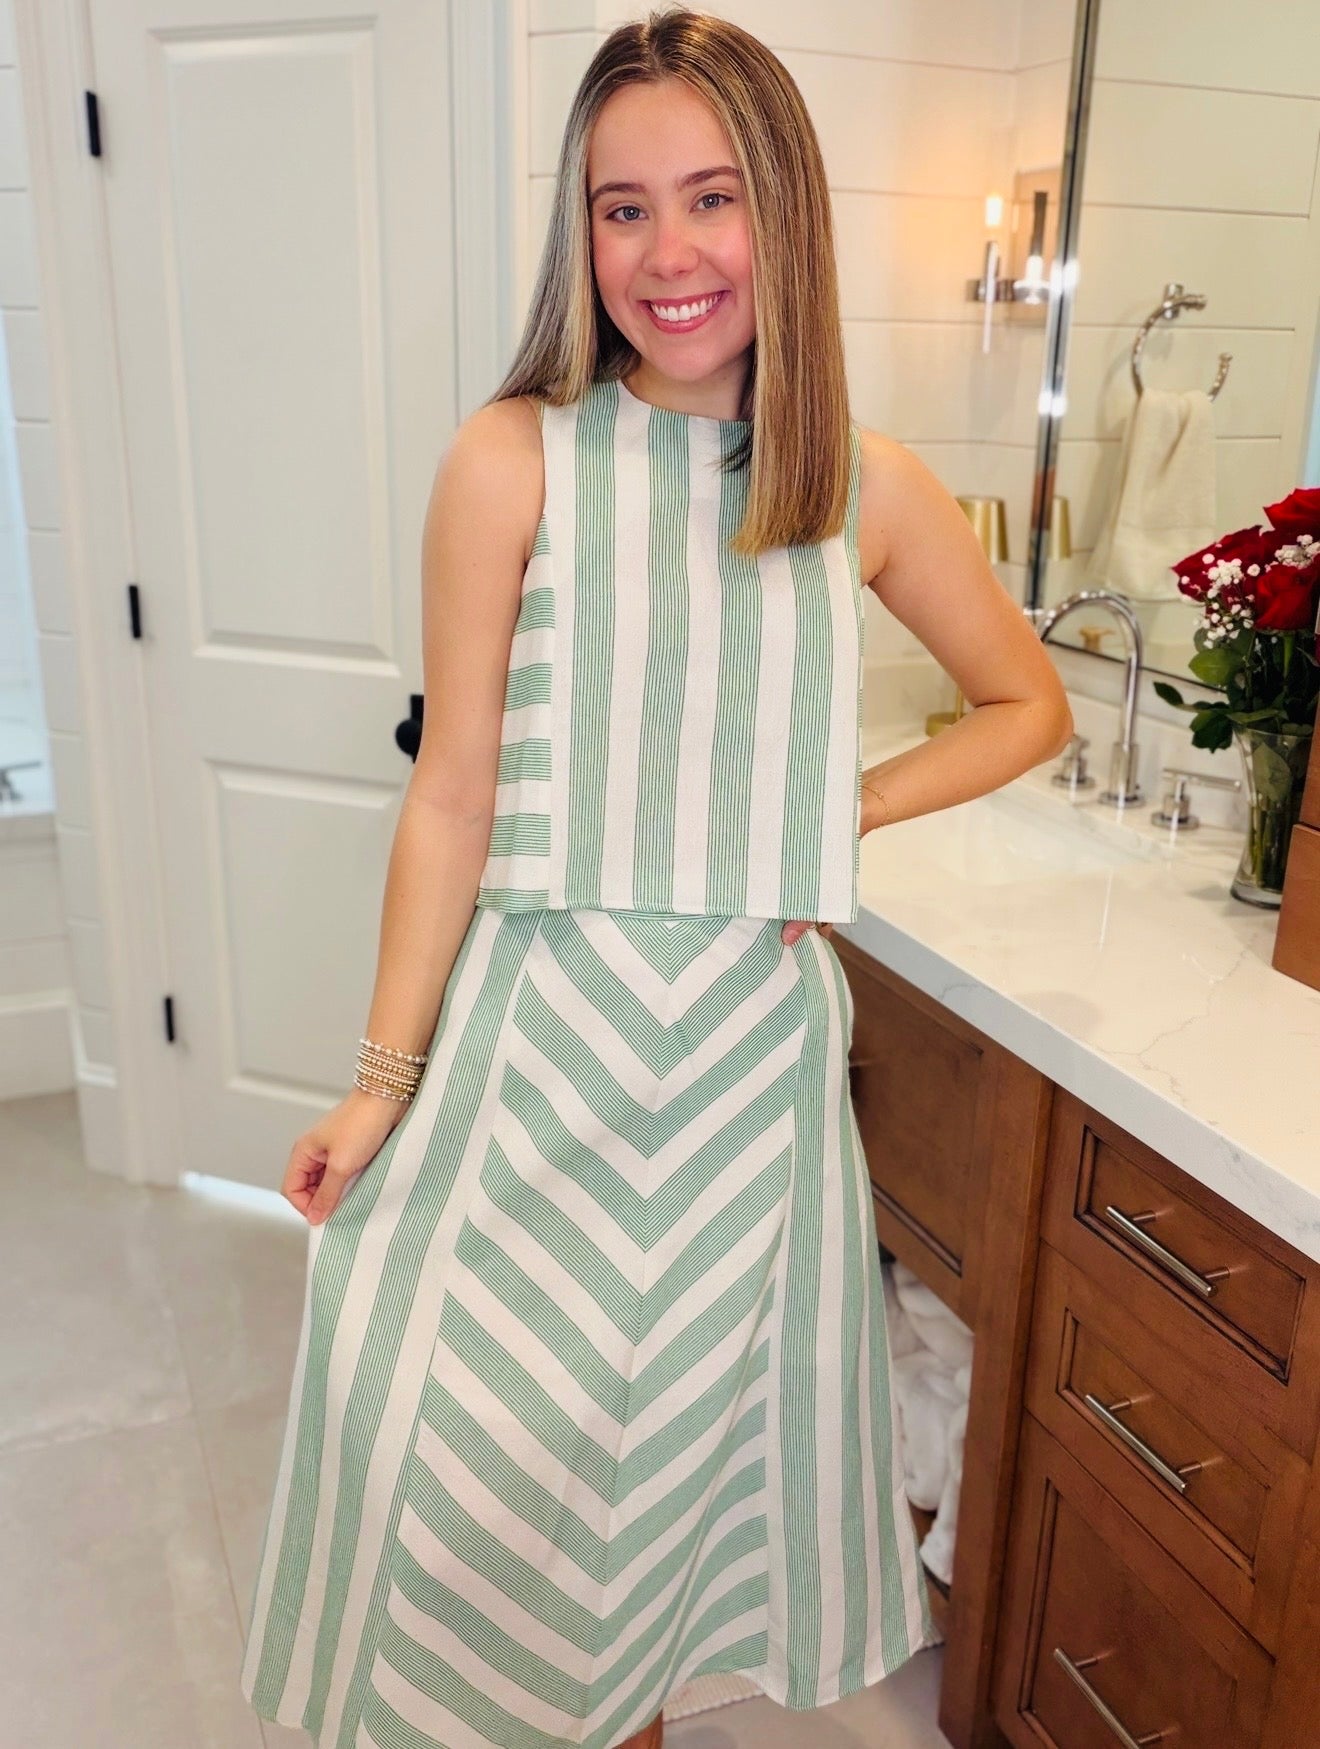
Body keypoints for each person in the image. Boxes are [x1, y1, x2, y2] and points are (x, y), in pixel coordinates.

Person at [239, 9, 1073, 1748]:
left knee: (654, 1540)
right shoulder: (513, 457)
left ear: (785, 212)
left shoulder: (864, 486)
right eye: (624, 208)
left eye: (713, 197)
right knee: (448, 1471)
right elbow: (452, 798)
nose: (668, 253)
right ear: (584, 230)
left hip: (740, 1096)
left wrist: (833, 812)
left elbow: (1029, 705)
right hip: (532, 1058)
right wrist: (379, 1082)